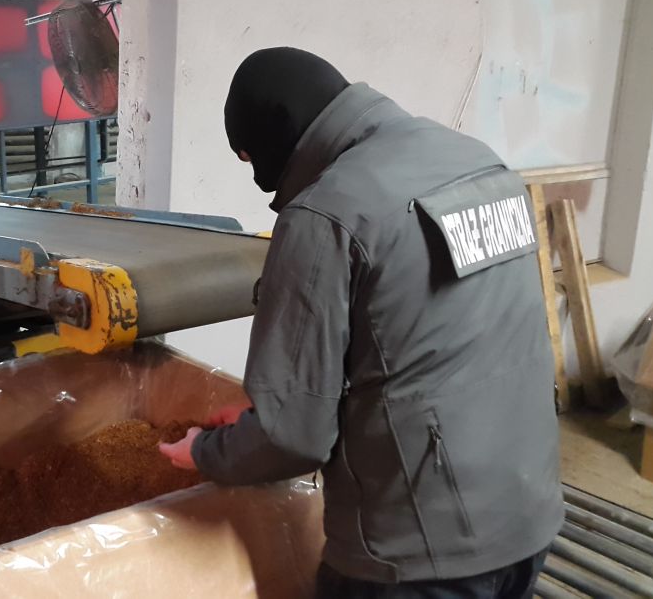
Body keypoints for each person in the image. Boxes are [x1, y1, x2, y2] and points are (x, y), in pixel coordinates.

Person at [158, 48, 564, 598]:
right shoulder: (477, 162)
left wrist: (207, 451)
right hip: (528, 517)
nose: (259, 179)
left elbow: (292, 438)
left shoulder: (325, 215)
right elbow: (432, 352)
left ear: (277, 137)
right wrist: (259, 418)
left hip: (418, 558)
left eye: (251, 158)